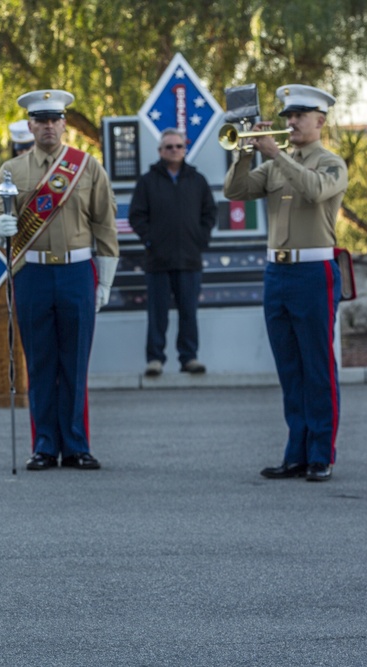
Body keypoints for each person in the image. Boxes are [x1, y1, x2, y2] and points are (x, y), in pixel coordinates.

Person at [0, 89, 119, 471]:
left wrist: (105, 279)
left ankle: (76, 444)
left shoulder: (87, 167)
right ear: (29, 125)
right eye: (40, 121)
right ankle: (44, 444)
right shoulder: (12, 170)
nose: (47, 127)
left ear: (64, 124)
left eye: (54, 120)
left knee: (75, 363)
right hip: (33, 273)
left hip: (78, 272)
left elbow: (104, 224)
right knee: (41, 362)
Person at [223, 84, 348, 482]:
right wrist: (244, 153)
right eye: (287, 117)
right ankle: (296, 452)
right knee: (290, 367)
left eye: (299, 116)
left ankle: (320, 454)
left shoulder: (331, 163)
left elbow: (313, 190)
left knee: (317, 366)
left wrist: (275, 153)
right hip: (277, 272)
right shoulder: (277, 163)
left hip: (313, 271)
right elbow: (236, 191)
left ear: (320, 121)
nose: (290, 122)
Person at [129, 128, 217, 377]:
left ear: (185, 149)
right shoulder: (148, 181)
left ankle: (189, 358)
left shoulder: (197, 180)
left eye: (179, 146)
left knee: (189, 312)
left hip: (190, 260)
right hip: (158, 260)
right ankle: (155, 359)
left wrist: (200, 239)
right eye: (169, 147)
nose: (174, 150)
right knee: (157, 314)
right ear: (160, 151)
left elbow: (210, 213)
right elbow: (137, 216)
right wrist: (150, 241)